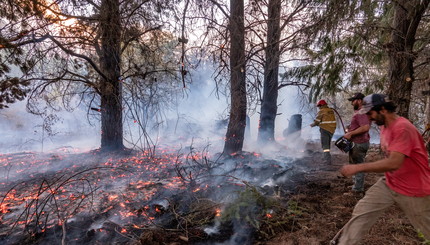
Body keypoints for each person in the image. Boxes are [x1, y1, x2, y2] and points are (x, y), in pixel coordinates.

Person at [332, 94, 430, 245]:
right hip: (390, 182)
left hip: (414, 189)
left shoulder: (402, 128)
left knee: (427, 229)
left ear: (383, 109)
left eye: (370, 113)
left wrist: (358, 167)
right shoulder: (384, 126)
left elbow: (394, 163)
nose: (369, 118)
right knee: (362, 212)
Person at [343, 93, 370, 193]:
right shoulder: (359, 112)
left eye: (353, 100)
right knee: (354, 165)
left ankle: (358, 189)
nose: (351, 103)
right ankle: (356, 185)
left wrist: (351, 134)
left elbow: (365, 127)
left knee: (358, 166)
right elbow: (360, 125)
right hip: (356, 143)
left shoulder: (362, 112)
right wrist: (349, 128)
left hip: (359, 143)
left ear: (359, 100)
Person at [310, 99, 337, 164]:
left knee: (325, 146)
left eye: (319, 106)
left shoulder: (322, 111)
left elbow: (317, 121)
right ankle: (326, 156)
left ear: (321, 105)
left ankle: (327, 160)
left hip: (325, 130)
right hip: (332, 130)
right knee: (327, 144)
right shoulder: (330, 111)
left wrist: (311, 125)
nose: (319, 108)